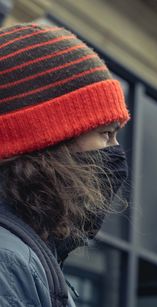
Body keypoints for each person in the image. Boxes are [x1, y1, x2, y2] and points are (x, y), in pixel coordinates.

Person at [0, 23, 131, 306]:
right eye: (106, 134)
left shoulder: (28, 255)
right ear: (48, 138)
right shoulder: (9, 262)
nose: (116, 151)